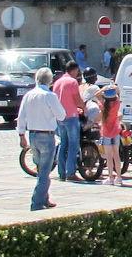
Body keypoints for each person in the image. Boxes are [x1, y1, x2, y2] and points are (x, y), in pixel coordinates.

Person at [16, 68, 65, 210]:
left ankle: (45, 199)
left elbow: (21, 116)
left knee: (40, 169)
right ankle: (36, 202)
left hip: (32, 135)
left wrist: (21, 135)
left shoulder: (28, 95)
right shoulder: (50, 96)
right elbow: (61, 115)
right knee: (44, 172)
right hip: (47, 135)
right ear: (50, 81)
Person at [53, 60, 85, 182]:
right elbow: (77, 99)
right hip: (71, 116)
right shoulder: (72, 82)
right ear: (74, 70)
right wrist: (84, 107)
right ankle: (70, 172)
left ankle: (61, 172)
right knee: (73, 145)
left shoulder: (57, 82)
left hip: (60, 117)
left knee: (63, 144)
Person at [96, 85, 125, 184]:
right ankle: (119, 177)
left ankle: (110, 178)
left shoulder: (103, 106)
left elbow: (97, 95)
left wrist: (104, 89)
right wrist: (112, 87)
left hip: (106, 133)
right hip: (116, 131)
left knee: (109, 156)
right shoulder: (117, 104)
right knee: (116, 155)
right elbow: (118, 91)